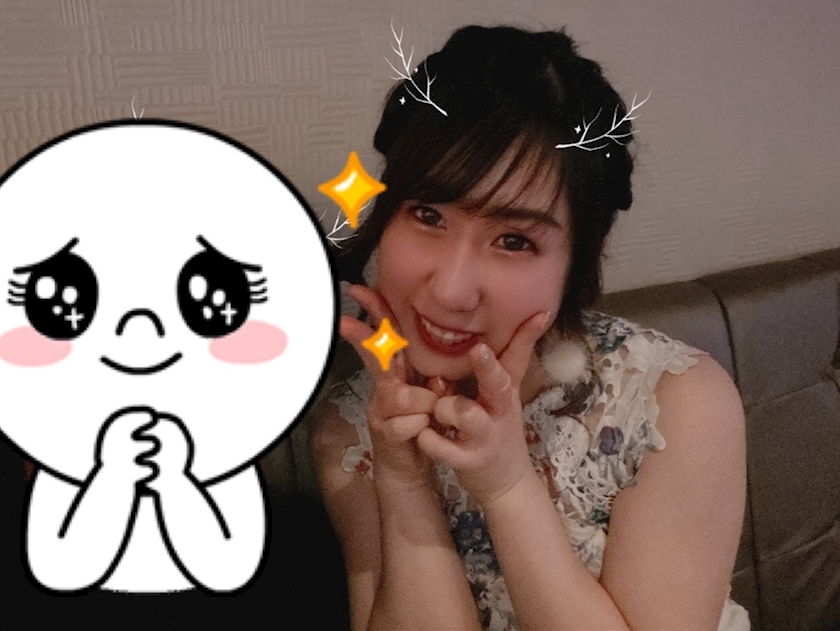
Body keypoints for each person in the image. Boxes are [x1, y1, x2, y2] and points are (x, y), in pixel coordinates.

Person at [312, 24, 749, 630]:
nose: (450, 290)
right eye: (427, 214)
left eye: (514, 240)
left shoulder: (675, 405)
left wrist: (507, 485)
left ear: (577, 260)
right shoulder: (351, 432)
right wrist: (402, 475)